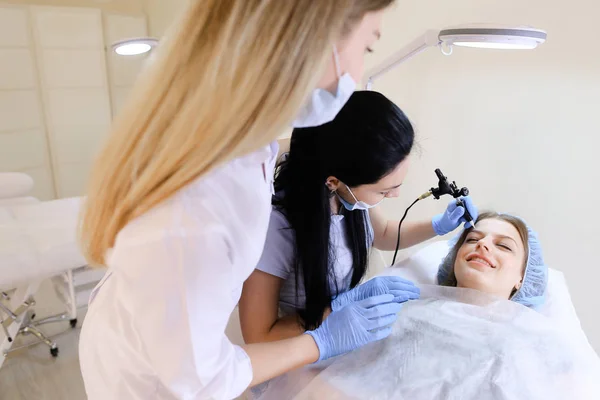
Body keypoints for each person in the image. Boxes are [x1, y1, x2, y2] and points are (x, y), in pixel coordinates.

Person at [77, 2, 405, 399]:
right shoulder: (200, 215)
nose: (357, 76)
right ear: (312, 41)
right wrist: (322, 339)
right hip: (147, 377)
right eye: (367, 48)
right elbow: (206, 379)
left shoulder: (245, 142)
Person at [239, 91, 478, 345]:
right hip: (300, 350)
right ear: (333, 181)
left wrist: (437, 226)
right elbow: (258, 336)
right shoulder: (276, 229)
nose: (395, 195)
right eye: (384, 191)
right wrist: (338, 308)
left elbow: (383, 232)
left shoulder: (349, 195)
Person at [438, 211, 548, 307]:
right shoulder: (422, 313)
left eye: (503, 245)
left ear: (522, 277)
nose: (482, 243)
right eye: (472, 239)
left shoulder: (526, 331)